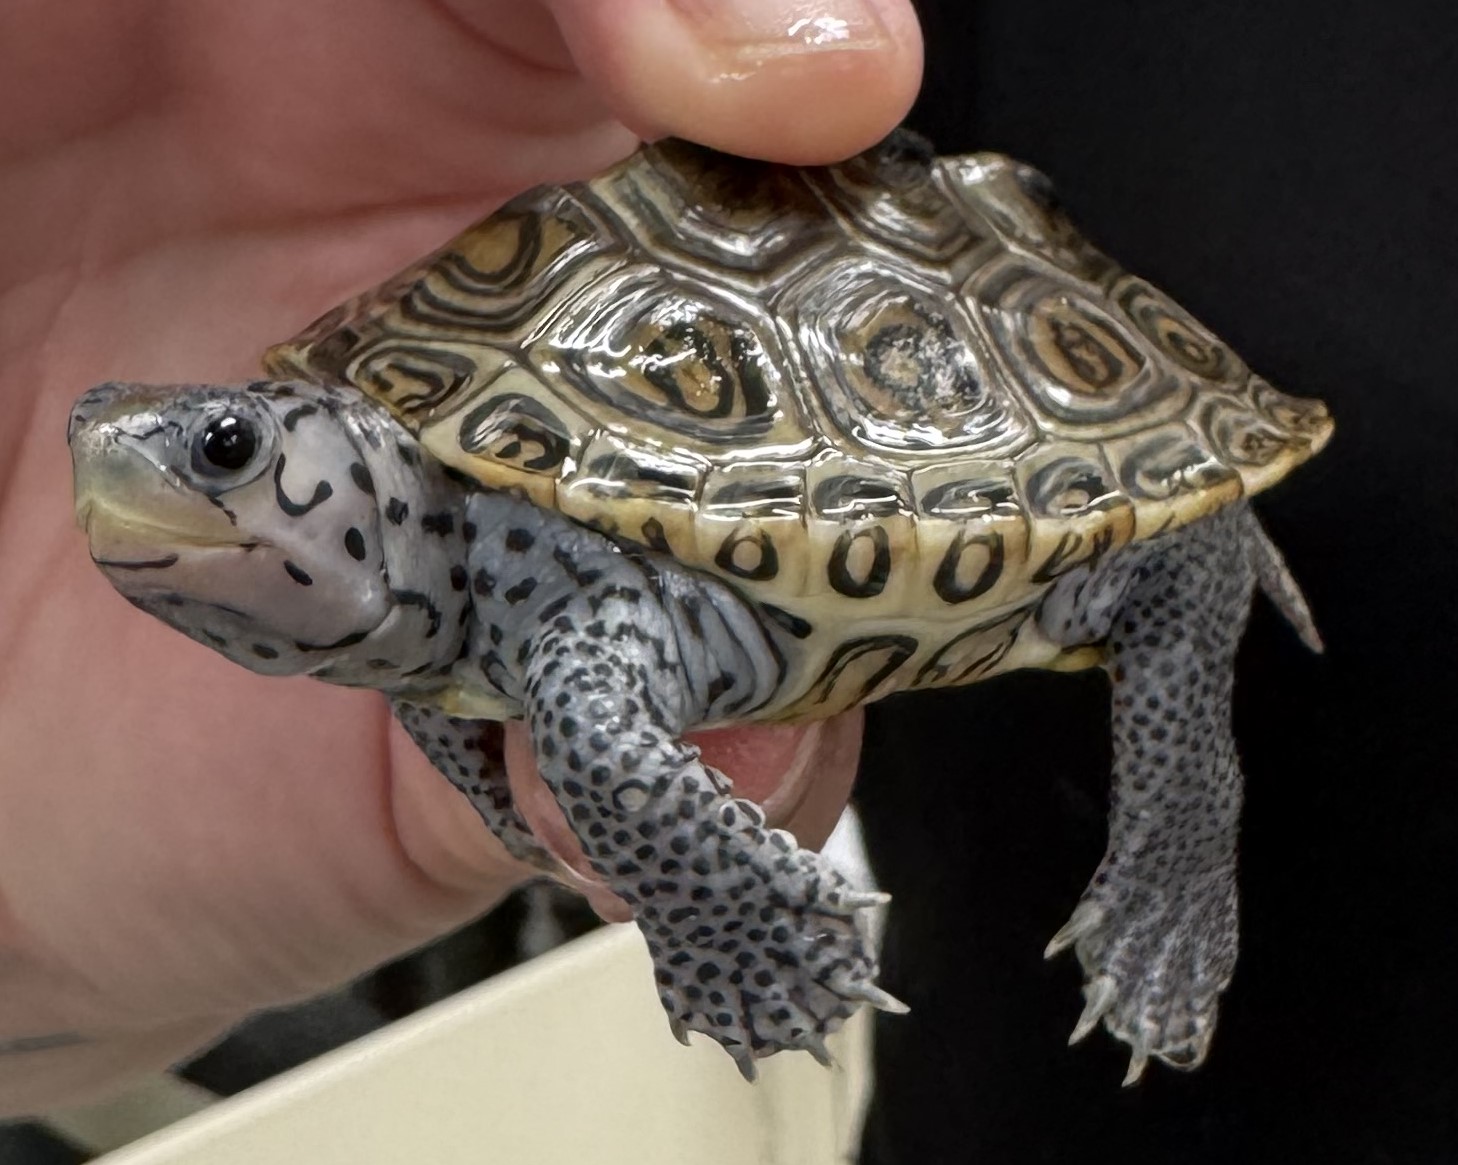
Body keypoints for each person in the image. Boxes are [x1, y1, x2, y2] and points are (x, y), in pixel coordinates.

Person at [0, 0, 923, 1115]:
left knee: (589, 732)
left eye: (227, 451)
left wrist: (726, 910)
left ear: (374, 473)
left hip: (905, 443)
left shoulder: (517, 589)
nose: (117, 487)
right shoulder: (439, 661)